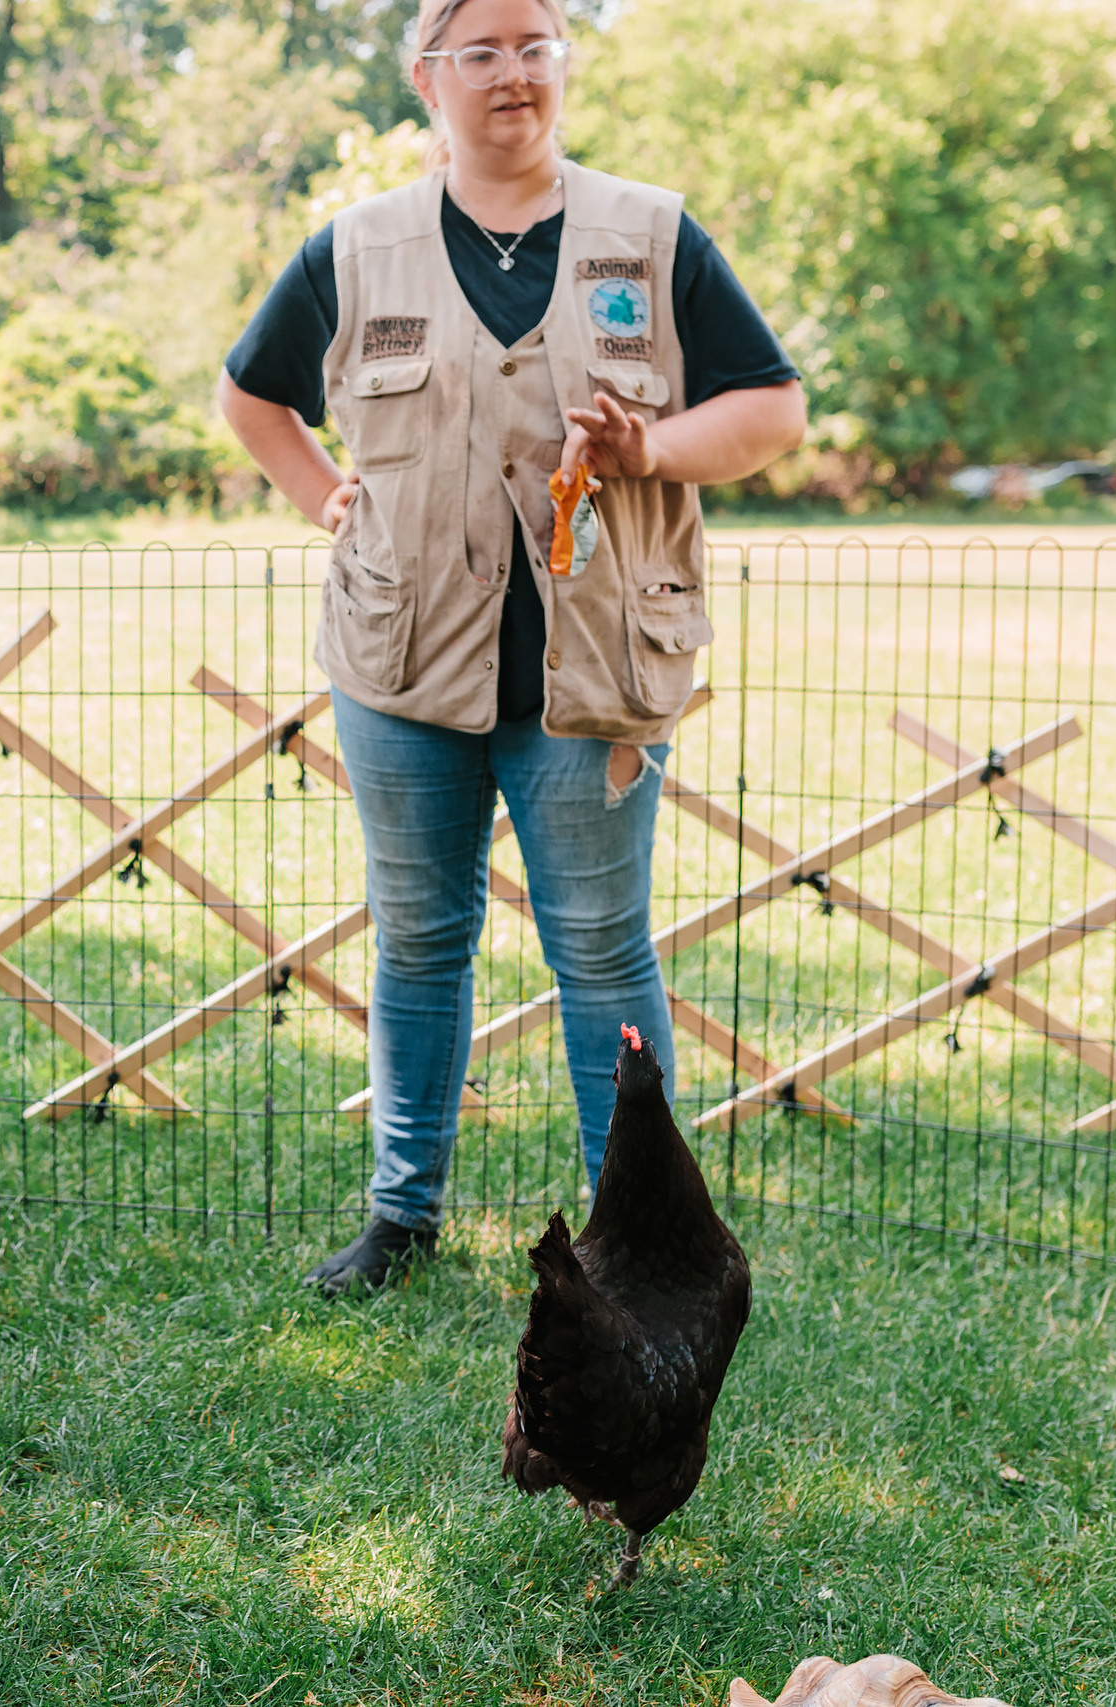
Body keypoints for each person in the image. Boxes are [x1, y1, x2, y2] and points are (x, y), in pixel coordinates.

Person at [217, 0, 805, 1294]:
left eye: (534, 43)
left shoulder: (649, 235)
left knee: (602, 948)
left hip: (593, 673)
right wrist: (326, 495)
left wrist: (651, 448)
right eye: (479, 49)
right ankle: (402, 1217)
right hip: (402, 664)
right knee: (421, 938)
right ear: (428, 77)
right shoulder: (356, 246)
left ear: (564, 65)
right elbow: (251, 395)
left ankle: (637, 1240)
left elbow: (770, 407)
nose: (511, 72)